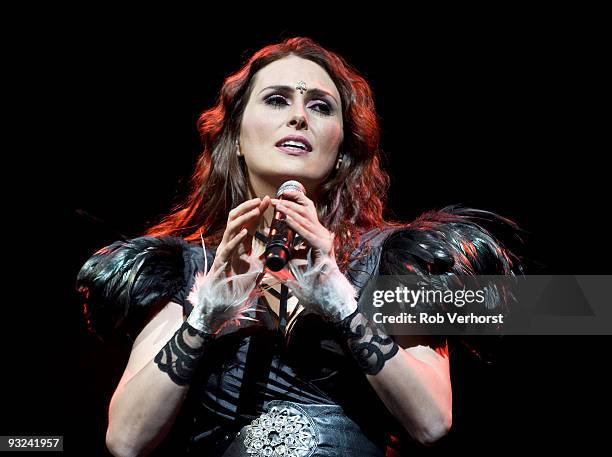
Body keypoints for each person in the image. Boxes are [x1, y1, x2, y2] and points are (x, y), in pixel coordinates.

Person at [76, 37, 522, 456]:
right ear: (234, 141)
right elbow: (126, 440)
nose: (299, 117)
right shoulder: (189, 266)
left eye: (320, 107)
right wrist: (205, 314)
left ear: (343, 150)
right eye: (276, 99)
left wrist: (340, 301)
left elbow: (431, 421)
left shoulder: (392, 257)